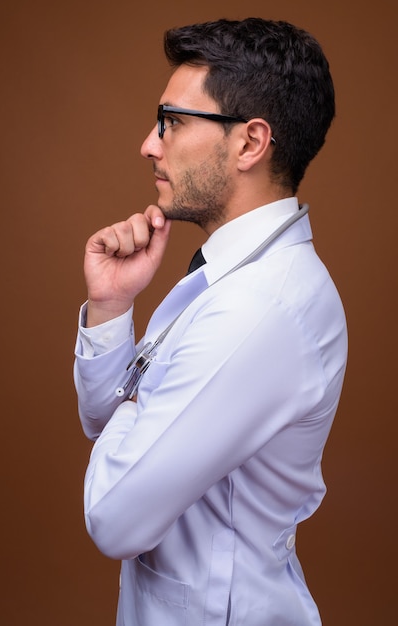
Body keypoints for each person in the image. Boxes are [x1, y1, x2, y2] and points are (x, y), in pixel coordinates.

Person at [74, 17, 348, 626]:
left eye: (172, 121)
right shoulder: (229, 275)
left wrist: (138, 407)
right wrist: (113, 308)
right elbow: (106, 423)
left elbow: (114, 514)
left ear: (250, 143)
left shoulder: (259, 309)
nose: (150, 143)